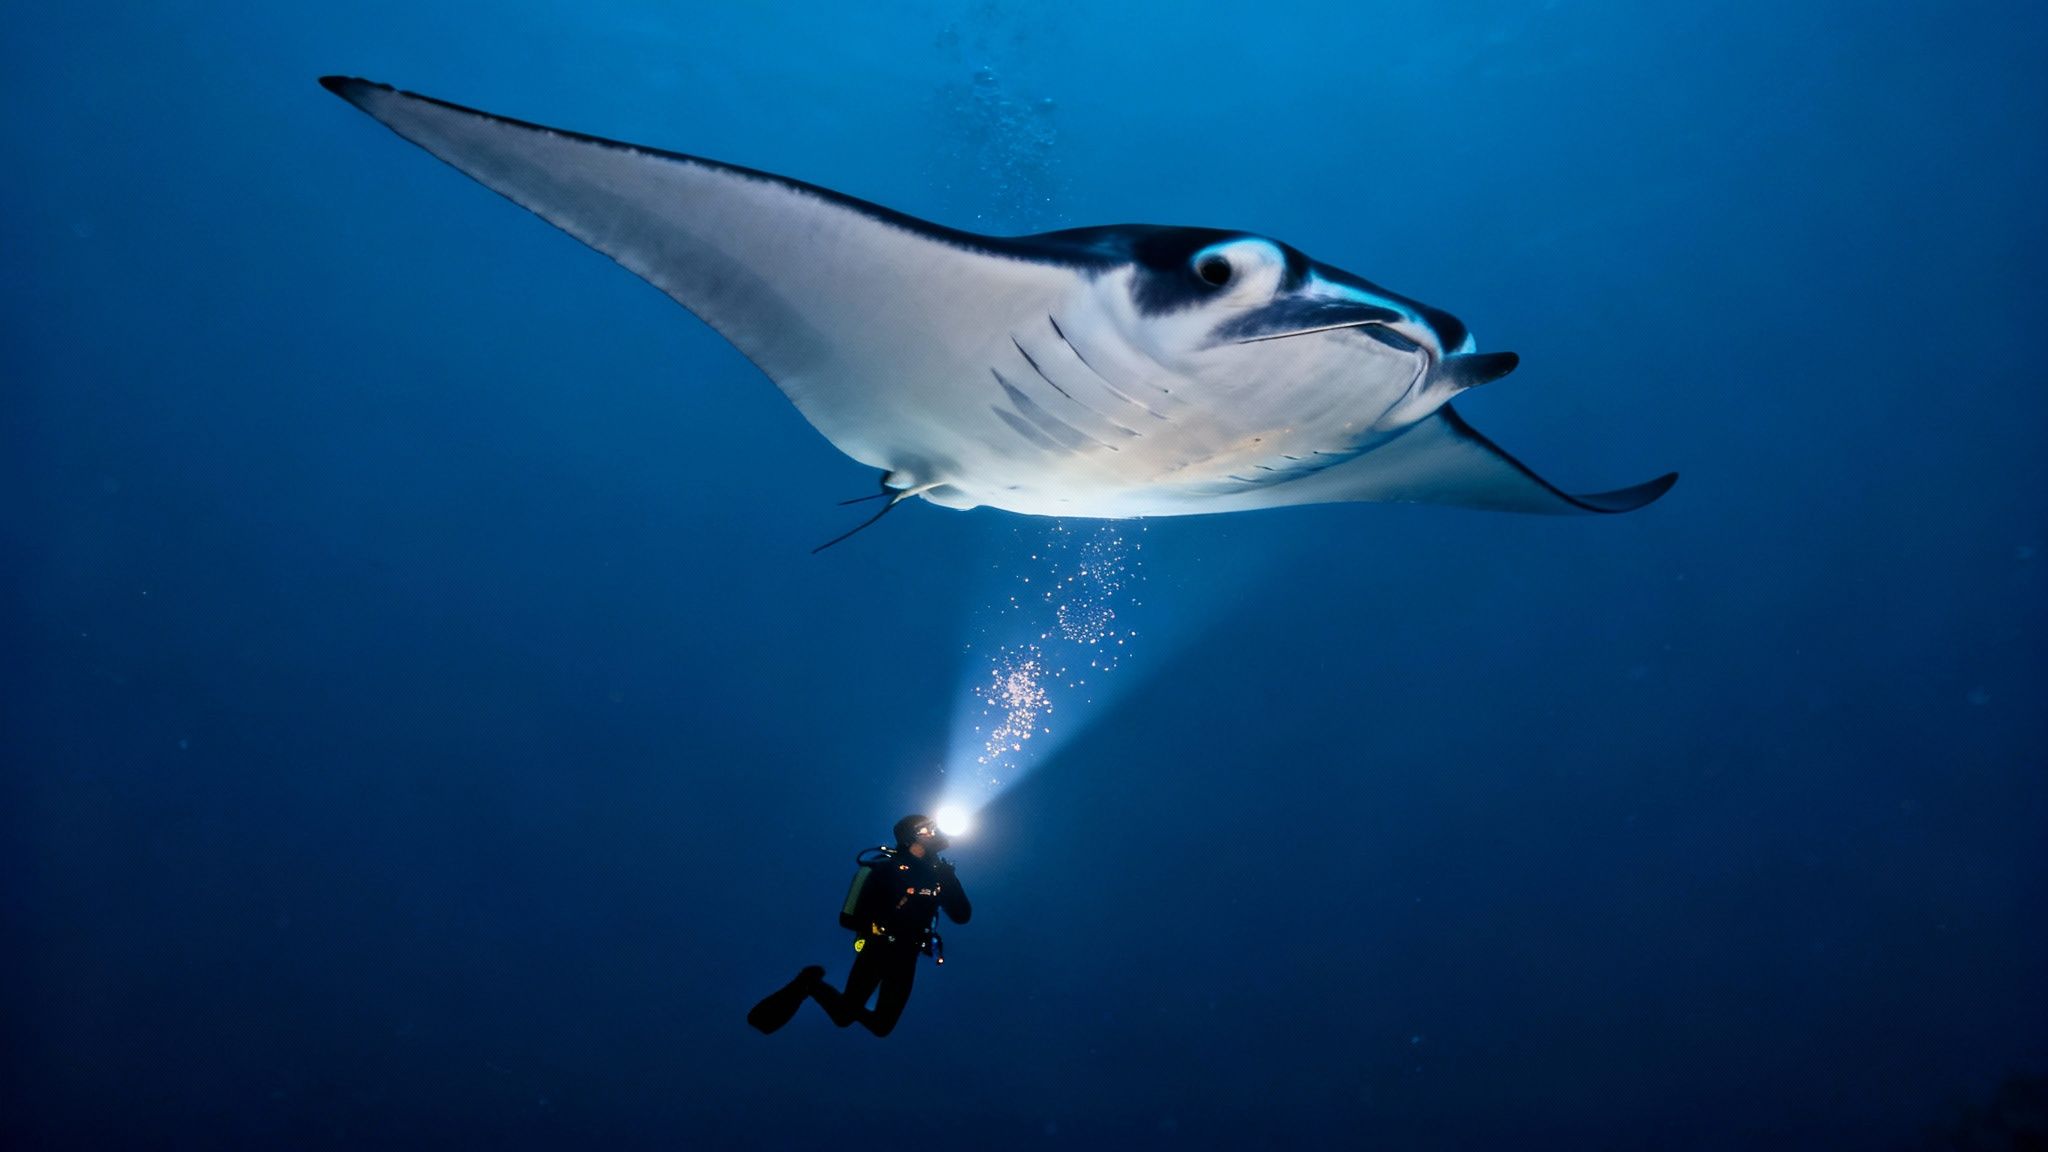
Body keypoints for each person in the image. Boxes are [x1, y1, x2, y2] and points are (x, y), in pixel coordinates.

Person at [748, 813, 971, 1037]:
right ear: (908, 837)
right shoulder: (883, 870)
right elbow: (848, 919)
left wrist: (948, 877)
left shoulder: (938, 875)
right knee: (844, 1016)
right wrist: (883, 926)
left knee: (882, 1026)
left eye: (933, 828)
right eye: (925, 829)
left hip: (907, 954)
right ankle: (808, 983)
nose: (932, 833)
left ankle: (811, 985)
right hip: (877, 950)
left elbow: (962, 915)